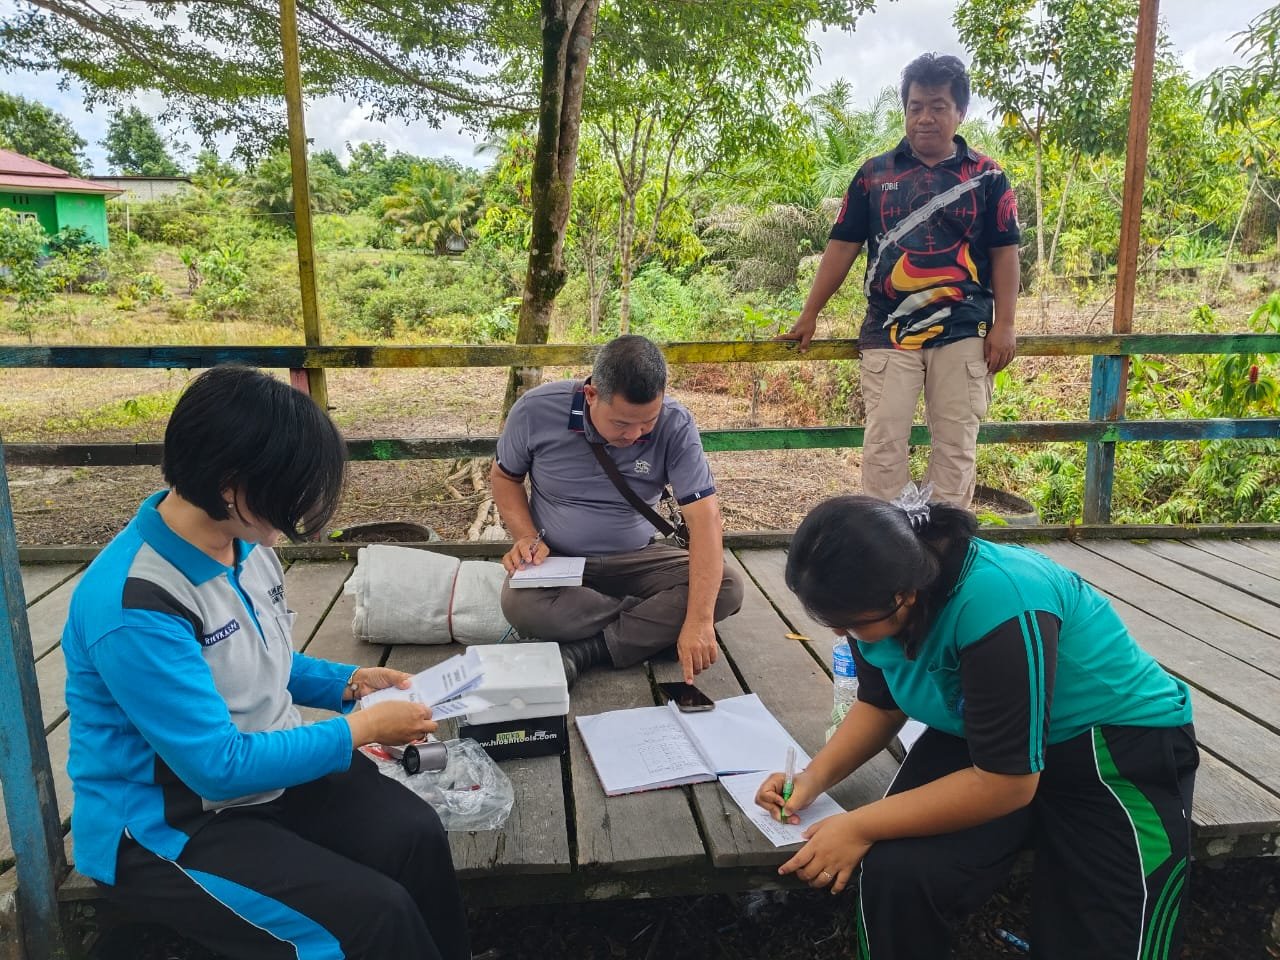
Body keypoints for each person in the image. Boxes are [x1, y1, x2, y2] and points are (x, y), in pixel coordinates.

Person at [62, 366, 470, 960]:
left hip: (269, 774)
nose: (302, 510)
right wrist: (362, 729)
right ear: (231, 484)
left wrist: (349, 682)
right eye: (292, 490)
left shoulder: (247, 546)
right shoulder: (134, 602)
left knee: (413, 835)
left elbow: (261, 656)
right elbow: (217, 767)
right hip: (171, 824)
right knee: (368, 921)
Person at [756, 487, 1197, 960]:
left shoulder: (999, 601)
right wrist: (811, 780)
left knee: (1105, 932)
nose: (843, 634)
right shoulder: (876, 596)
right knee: (897, 875)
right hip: (981, 737)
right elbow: (881, 706)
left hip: (1108, 746)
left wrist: (859, 824)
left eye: (852, 623)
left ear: (904, 594)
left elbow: (1007, 785)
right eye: (832, 622)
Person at [780, 52, 1021, 509]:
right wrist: (809, 314)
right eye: (915, 106)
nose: (925, 117)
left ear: (960, 112)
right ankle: (890, 554)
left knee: (955, 446)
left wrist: (1005, 324)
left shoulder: (988, 177)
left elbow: (1005, 253)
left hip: (964, 330)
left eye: (937, 106)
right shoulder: (874, 175)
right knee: (884, 443)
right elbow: (842, 248)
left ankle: (944, 557)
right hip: (889, 332)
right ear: (905, 109)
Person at [491, 334, 744, 686]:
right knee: (520, 606)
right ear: (591, 395)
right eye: (622, 424)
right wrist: (526, 536)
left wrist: (699, 621)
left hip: (637, 556)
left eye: (648, 422)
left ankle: (588, 650)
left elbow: (706, 520)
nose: (637, 434)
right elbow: (505, 477)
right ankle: (652, 626)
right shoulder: (535, 411)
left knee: (728, 586)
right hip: (560, 559)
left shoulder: (676, 424)